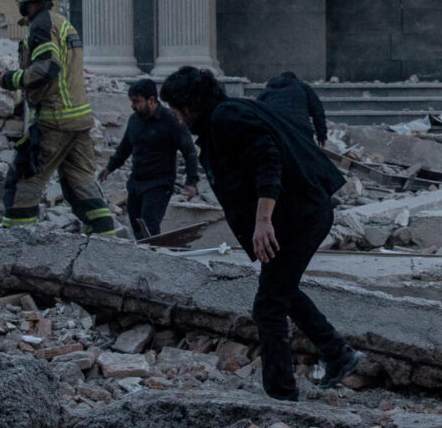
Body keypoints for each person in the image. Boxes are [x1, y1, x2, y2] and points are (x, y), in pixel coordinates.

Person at [159, 66, 365, 400]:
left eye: (175, 109)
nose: (175, 117)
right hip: (298, 214)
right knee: (282, 291)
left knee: (268, 306)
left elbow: (269, 160)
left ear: (190, 105)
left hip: (300, 216)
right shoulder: (224, 117)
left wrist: (263, 220)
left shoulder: (227, 117)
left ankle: (281, 396)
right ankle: (337, 353)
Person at [0, 0, 117, 234]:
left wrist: (11, 79)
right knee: (80, 185)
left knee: (23, 180)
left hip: (55, 119)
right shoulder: (62, 23)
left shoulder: (41, 25)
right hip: (79, 120)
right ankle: (107, 242)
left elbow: (47, 67)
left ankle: (15, 242)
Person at [104, 78, 201, 239]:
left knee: (149, 228)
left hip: (159, 184)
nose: (133, 106)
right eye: (132, 102)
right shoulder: (134, 120)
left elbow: (190, 152)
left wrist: (191, 182)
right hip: (136, 183)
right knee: (137, 228)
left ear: (151, 100)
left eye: (137, 101)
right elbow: (125, 147)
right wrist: (110, 167)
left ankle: (153, 253)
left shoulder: (172, 121)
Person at [259, 70, 328, 144]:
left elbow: (256, 111)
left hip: (275, 129)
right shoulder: (303, 87)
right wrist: (321, 136)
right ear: (295, 78)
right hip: (300, 130)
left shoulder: (268, 90)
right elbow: (318, 112)